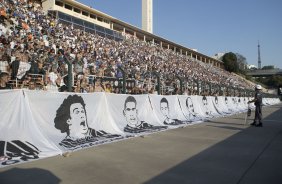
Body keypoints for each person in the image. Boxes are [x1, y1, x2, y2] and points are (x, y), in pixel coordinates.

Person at [54, 95, 120, 148]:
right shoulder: (65, 144)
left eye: (82, 111)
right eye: (77, 112)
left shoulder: (99, 134)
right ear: (68, 120)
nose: (82, 115)